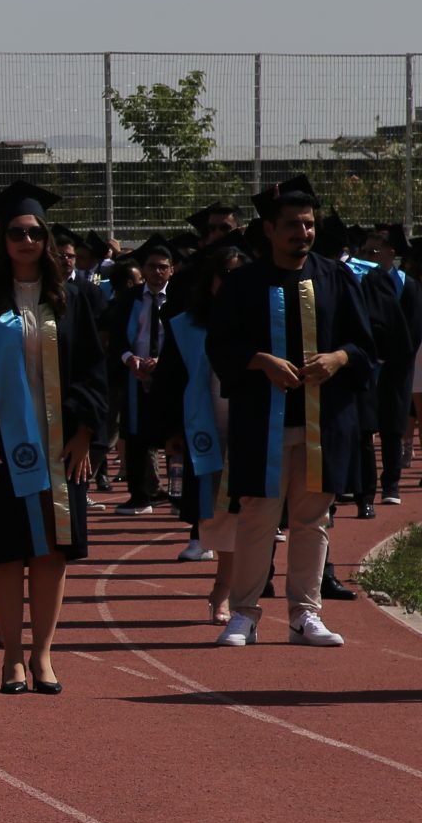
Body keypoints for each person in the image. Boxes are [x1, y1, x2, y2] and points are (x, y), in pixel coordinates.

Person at [0, 181, 109, 693]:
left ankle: (43, 656)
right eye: (17, 232)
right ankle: (11, 656)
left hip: (61, 447)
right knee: (5, 552)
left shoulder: (76, 299)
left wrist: (86, 433)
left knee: (51, 553)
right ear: (2, 241)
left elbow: (95, 371)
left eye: (36, 232)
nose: (27, 240)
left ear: (48, 241)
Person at [209, 176, 373, 648]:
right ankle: (243, 613)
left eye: (308, 225)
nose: (301, 233)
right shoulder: (243, 284)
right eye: (291, 226)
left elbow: (364, 345)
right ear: (268, 229)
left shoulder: (337, 278)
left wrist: (338, 358)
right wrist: (260, 361)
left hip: (323, 422)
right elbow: (219, 346)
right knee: (258, 517)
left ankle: (306, 614)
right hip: (264, 421)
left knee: (313, 520)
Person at [148, 237, 247, 617]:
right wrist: (171, 431)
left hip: (252, 427)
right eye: (224, 275)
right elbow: (170, 381)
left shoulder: (262, 322)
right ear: (210, 281)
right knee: (218, 514)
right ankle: (224, 586)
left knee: (253, 512)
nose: (231, 281)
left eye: (239, 275)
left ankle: (237, 589)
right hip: (205, 429)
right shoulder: (186, 327)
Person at [106, 238, 177, 514]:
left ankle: (177, 496)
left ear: (171, 270)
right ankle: (140, 495)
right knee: (135, 435)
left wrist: (163, 360)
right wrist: (130, 360)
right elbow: (116, 338)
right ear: (143, 270)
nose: (157, 272)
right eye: (151, 267)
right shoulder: (129, 299)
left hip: (169, 375)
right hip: (135, 375)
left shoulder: (180, 298)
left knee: (173, 436)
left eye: (163, 267)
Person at [356, 224, 421, 511]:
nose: (368, 256)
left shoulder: (409, 285)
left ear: (390, 254)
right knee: (366, 427)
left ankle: (391, 483)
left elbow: (414, 330)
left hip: (398, 366)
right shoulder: (359, 280)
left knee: (393, 426)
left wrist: (392, 356)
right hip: (367, 365)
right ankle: (365, 490)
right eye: (364, 251)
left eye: (374, 251)